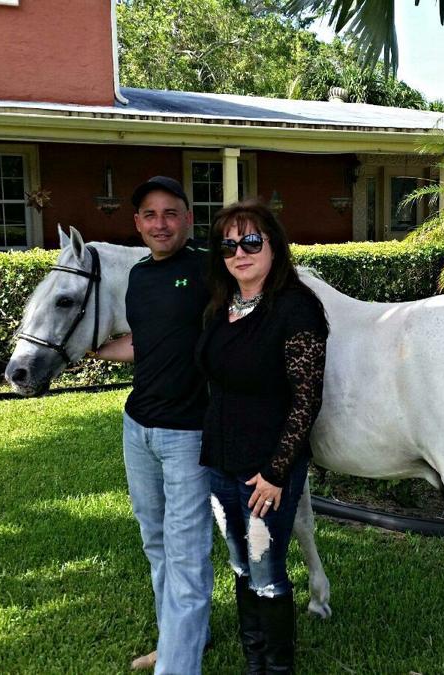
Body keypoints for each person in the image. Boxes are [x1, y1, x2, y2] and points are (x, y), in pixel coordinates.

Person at [196, 200, 328, 674]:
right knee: (239, 565)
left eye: (252, 241)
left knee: (266, 574)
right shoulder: (220, 307)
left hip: (265, 474)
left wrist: (275, 474)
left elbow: (306, 400)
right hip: (220, 464)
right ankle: (255, 661)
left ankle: (276, 669)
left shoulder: (296, 309)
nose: (240, 252)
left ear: (274, 246)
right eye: (228, 244)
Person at [91, 176, 212, 674]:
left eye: (170, 213)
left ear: (186, 218)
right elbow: (145, 342)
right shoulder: (140, 277)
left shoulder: (211, 270)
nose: (160, 223)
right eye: (150, 214)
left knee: (186, 551)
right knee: (156, 541)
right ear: (137, 223)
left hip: (188, 432)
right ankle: (179, 641)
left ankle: (177, 667)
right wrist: (92, 350)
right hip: (137, 427)